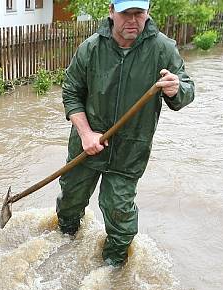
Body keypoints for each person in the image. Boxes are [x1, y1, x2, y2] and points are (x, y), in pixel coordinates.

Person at [57, 0, 195, 266]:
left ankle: (112, 271)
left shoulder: (162, 49)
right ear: (111, 12)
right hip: (87, 148)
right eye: (126, 13)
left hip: (130, 152)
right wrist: (86, 134)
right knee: (70, 204)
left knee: (119, 215)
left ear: (148, 12)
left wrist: (177, 88)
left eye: (139, 13)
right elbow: (71, 91)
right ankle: (65, 243)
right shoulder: (91, 48)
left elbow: (186, 91)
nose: (132, 20)